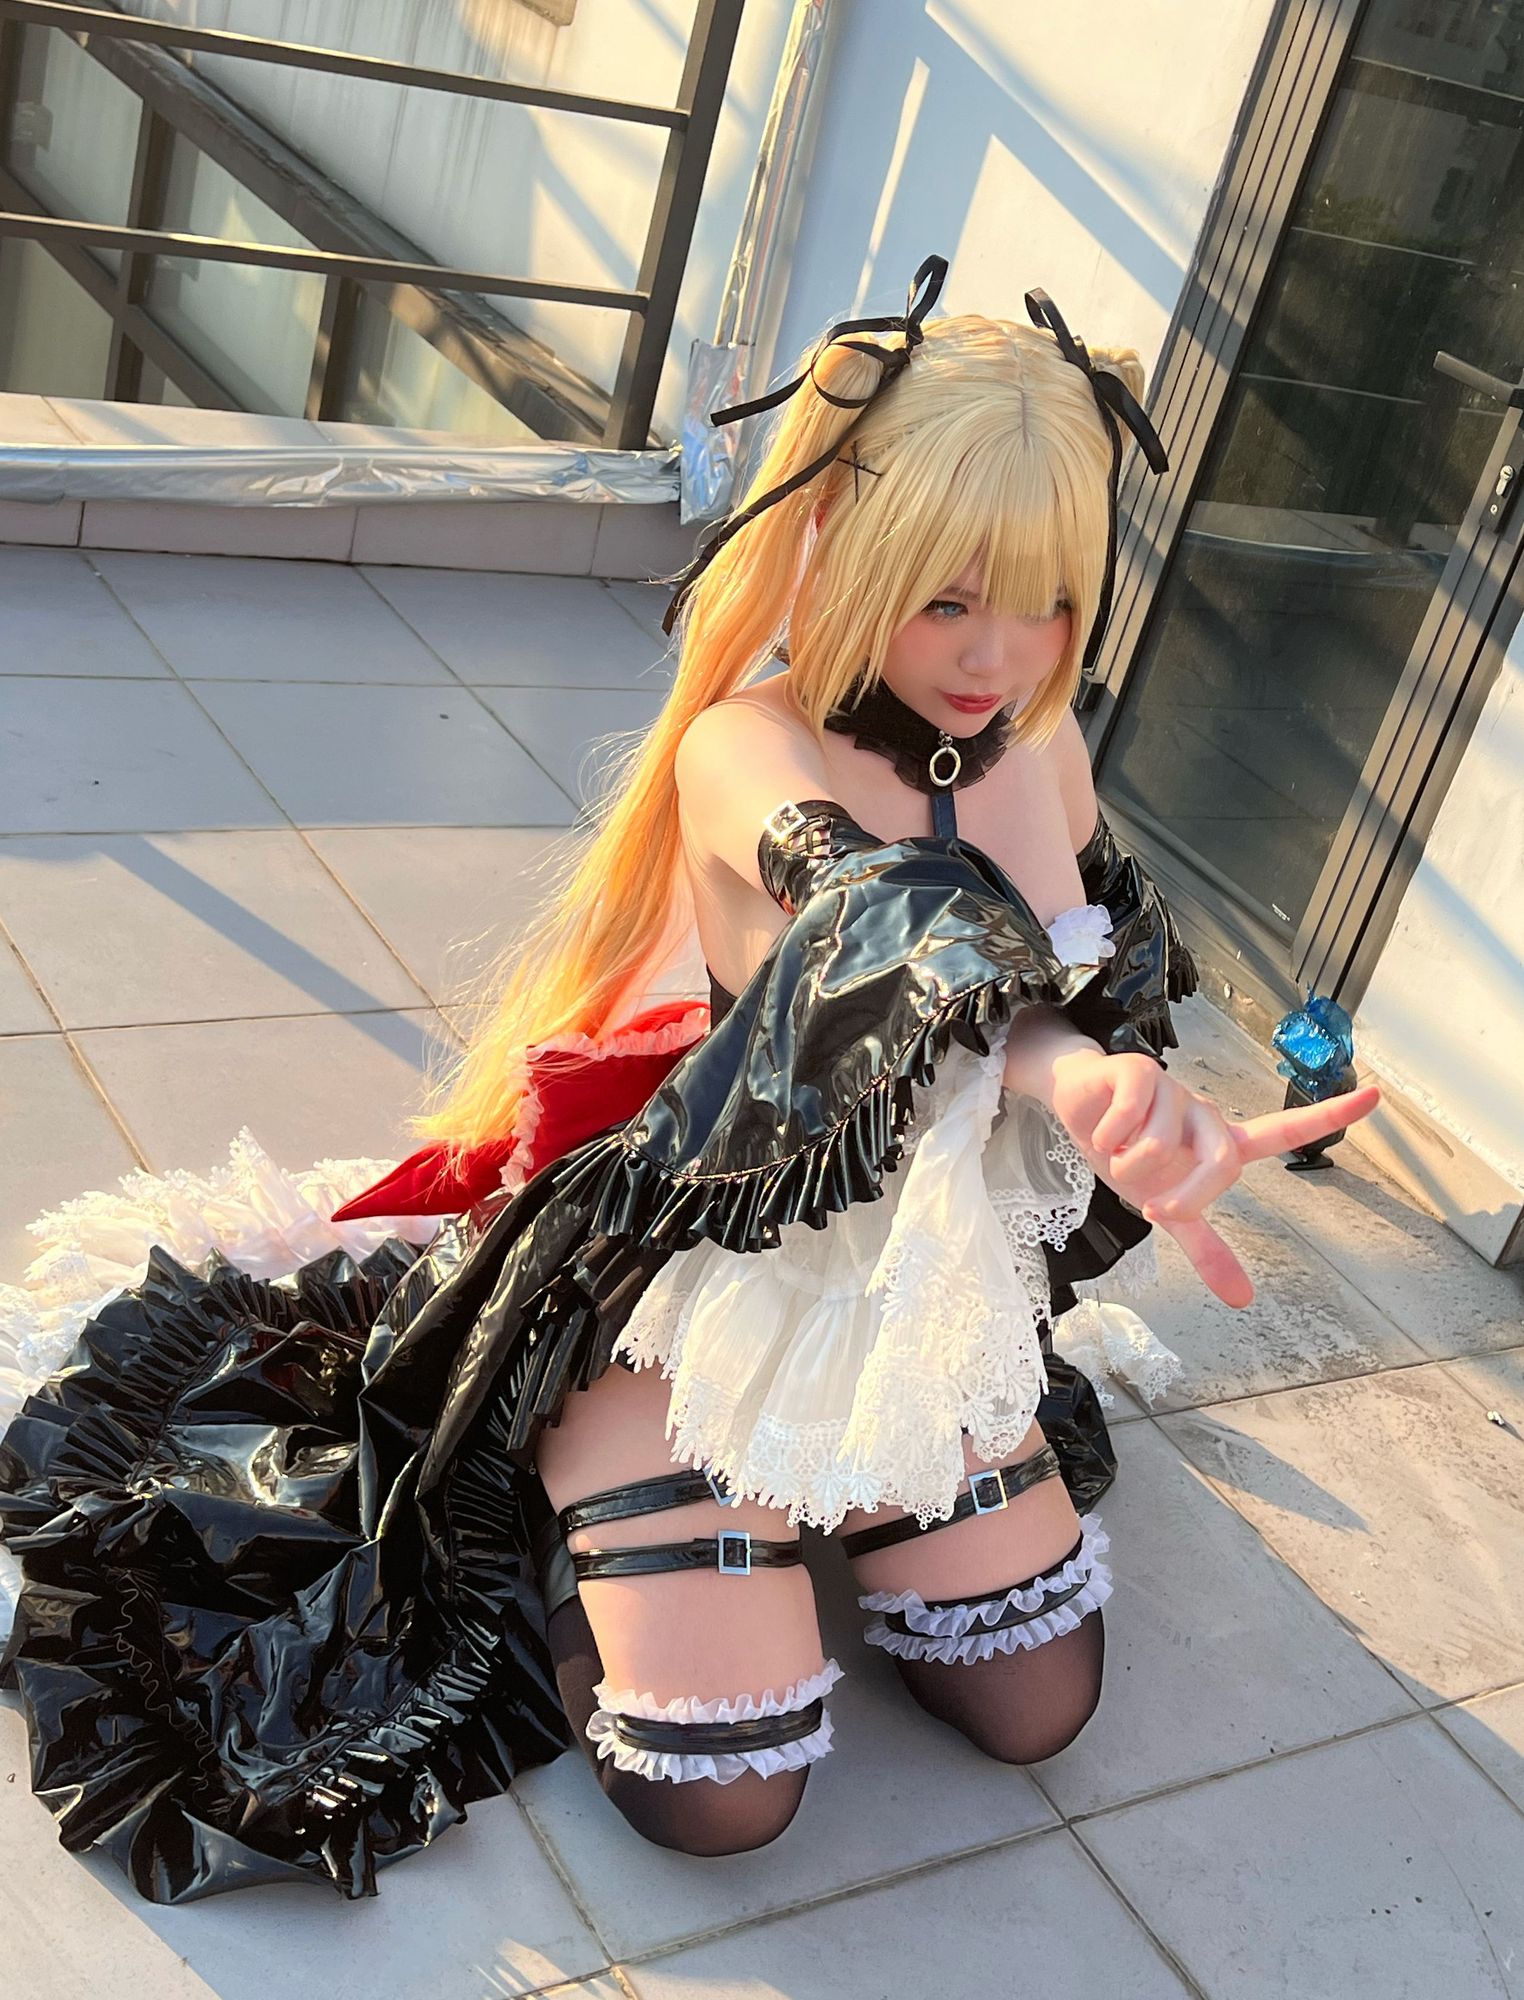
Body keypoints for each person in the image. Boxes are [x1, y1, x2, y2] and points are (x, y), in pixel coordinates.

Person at [0, 257, 1376, 1901]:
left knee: (1036, 1706)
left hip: (917, 1274)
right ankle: (568, 1492)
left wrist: (1127, 1089)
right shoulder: (750, 747)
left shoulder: (1047, 742)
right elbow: (878, 919)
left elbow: (1069, 972)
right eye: (949, 598)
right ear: (844, 543)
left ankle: (794, 1515)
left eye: (1046, 603)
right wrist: (1057, 1063)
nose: (998, 654)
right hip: (701, 1264)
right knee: (725, 1801)